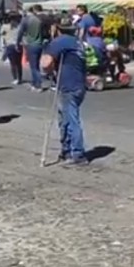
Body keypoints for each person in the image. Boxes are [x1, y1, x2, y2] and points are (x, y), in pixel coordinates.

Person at [41, 19, 88, 166]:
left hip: (68, 85)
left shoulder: (59, 42)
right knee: (66, 119)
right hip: (79, 84)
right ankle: (67, 150)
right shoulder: (78, 42)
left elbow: (45, 63)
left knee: (71, 119)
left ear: (58, 28)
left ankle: (77, 153)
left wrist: (48, 71)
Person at [16, 4, 47, 92]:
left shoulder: (26, 20)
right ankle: (34, 83)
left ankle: (38, 85)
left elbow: (20, 32)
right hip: (39, 43)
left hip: (31, 44)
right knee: (36, 64)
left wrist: (17, 43)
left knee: (33, 66)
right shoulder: (39, 20)